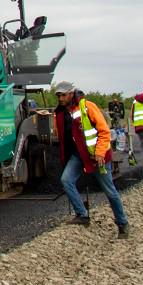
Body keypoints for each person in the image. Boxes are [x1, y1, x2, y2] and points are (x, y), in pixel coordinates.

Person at [53, 81, 130, 239]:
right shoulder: (60, 113)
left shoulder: (87, 107)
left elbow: (104, 131)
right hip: (78, 155)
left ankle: (122, 223)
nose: (60, 98)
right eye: (58, 95)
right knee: (66, 180)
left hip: (96, 156)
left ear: (71, 93)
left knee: (109, 191)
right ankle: (82, 214)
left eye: (63, 95)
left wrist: (100, 153)